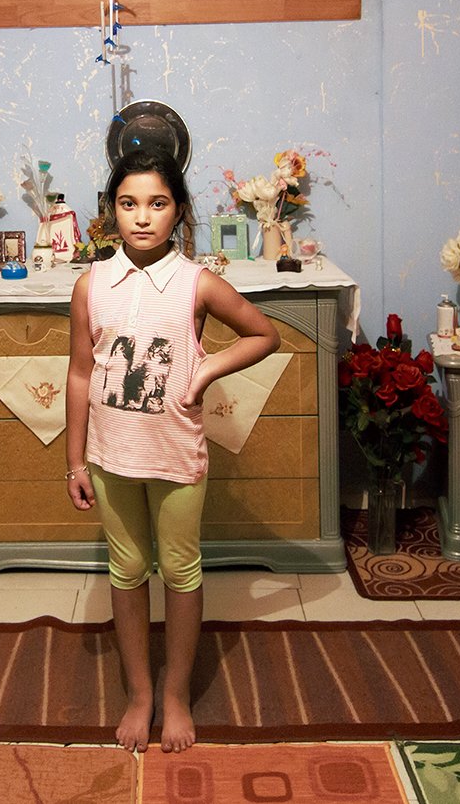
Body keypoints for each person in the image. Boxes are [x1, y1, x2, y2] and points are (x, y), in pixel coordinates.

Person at [65, 146, 280, 753]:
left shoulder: (196, 283)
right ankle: (140, 694)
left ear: (178, 210)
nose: (142, 216)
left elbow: (264, 334)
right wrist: (74, 460)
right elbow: (80, 373)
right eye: (128, 203)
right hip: (110, 457)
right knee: (127, 569)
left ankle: (177, 694)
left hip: (175, 456)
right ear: (111, 211)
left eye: (157, 203)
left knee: (181, 570)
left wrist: (208, 367)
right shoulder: (91, 285)